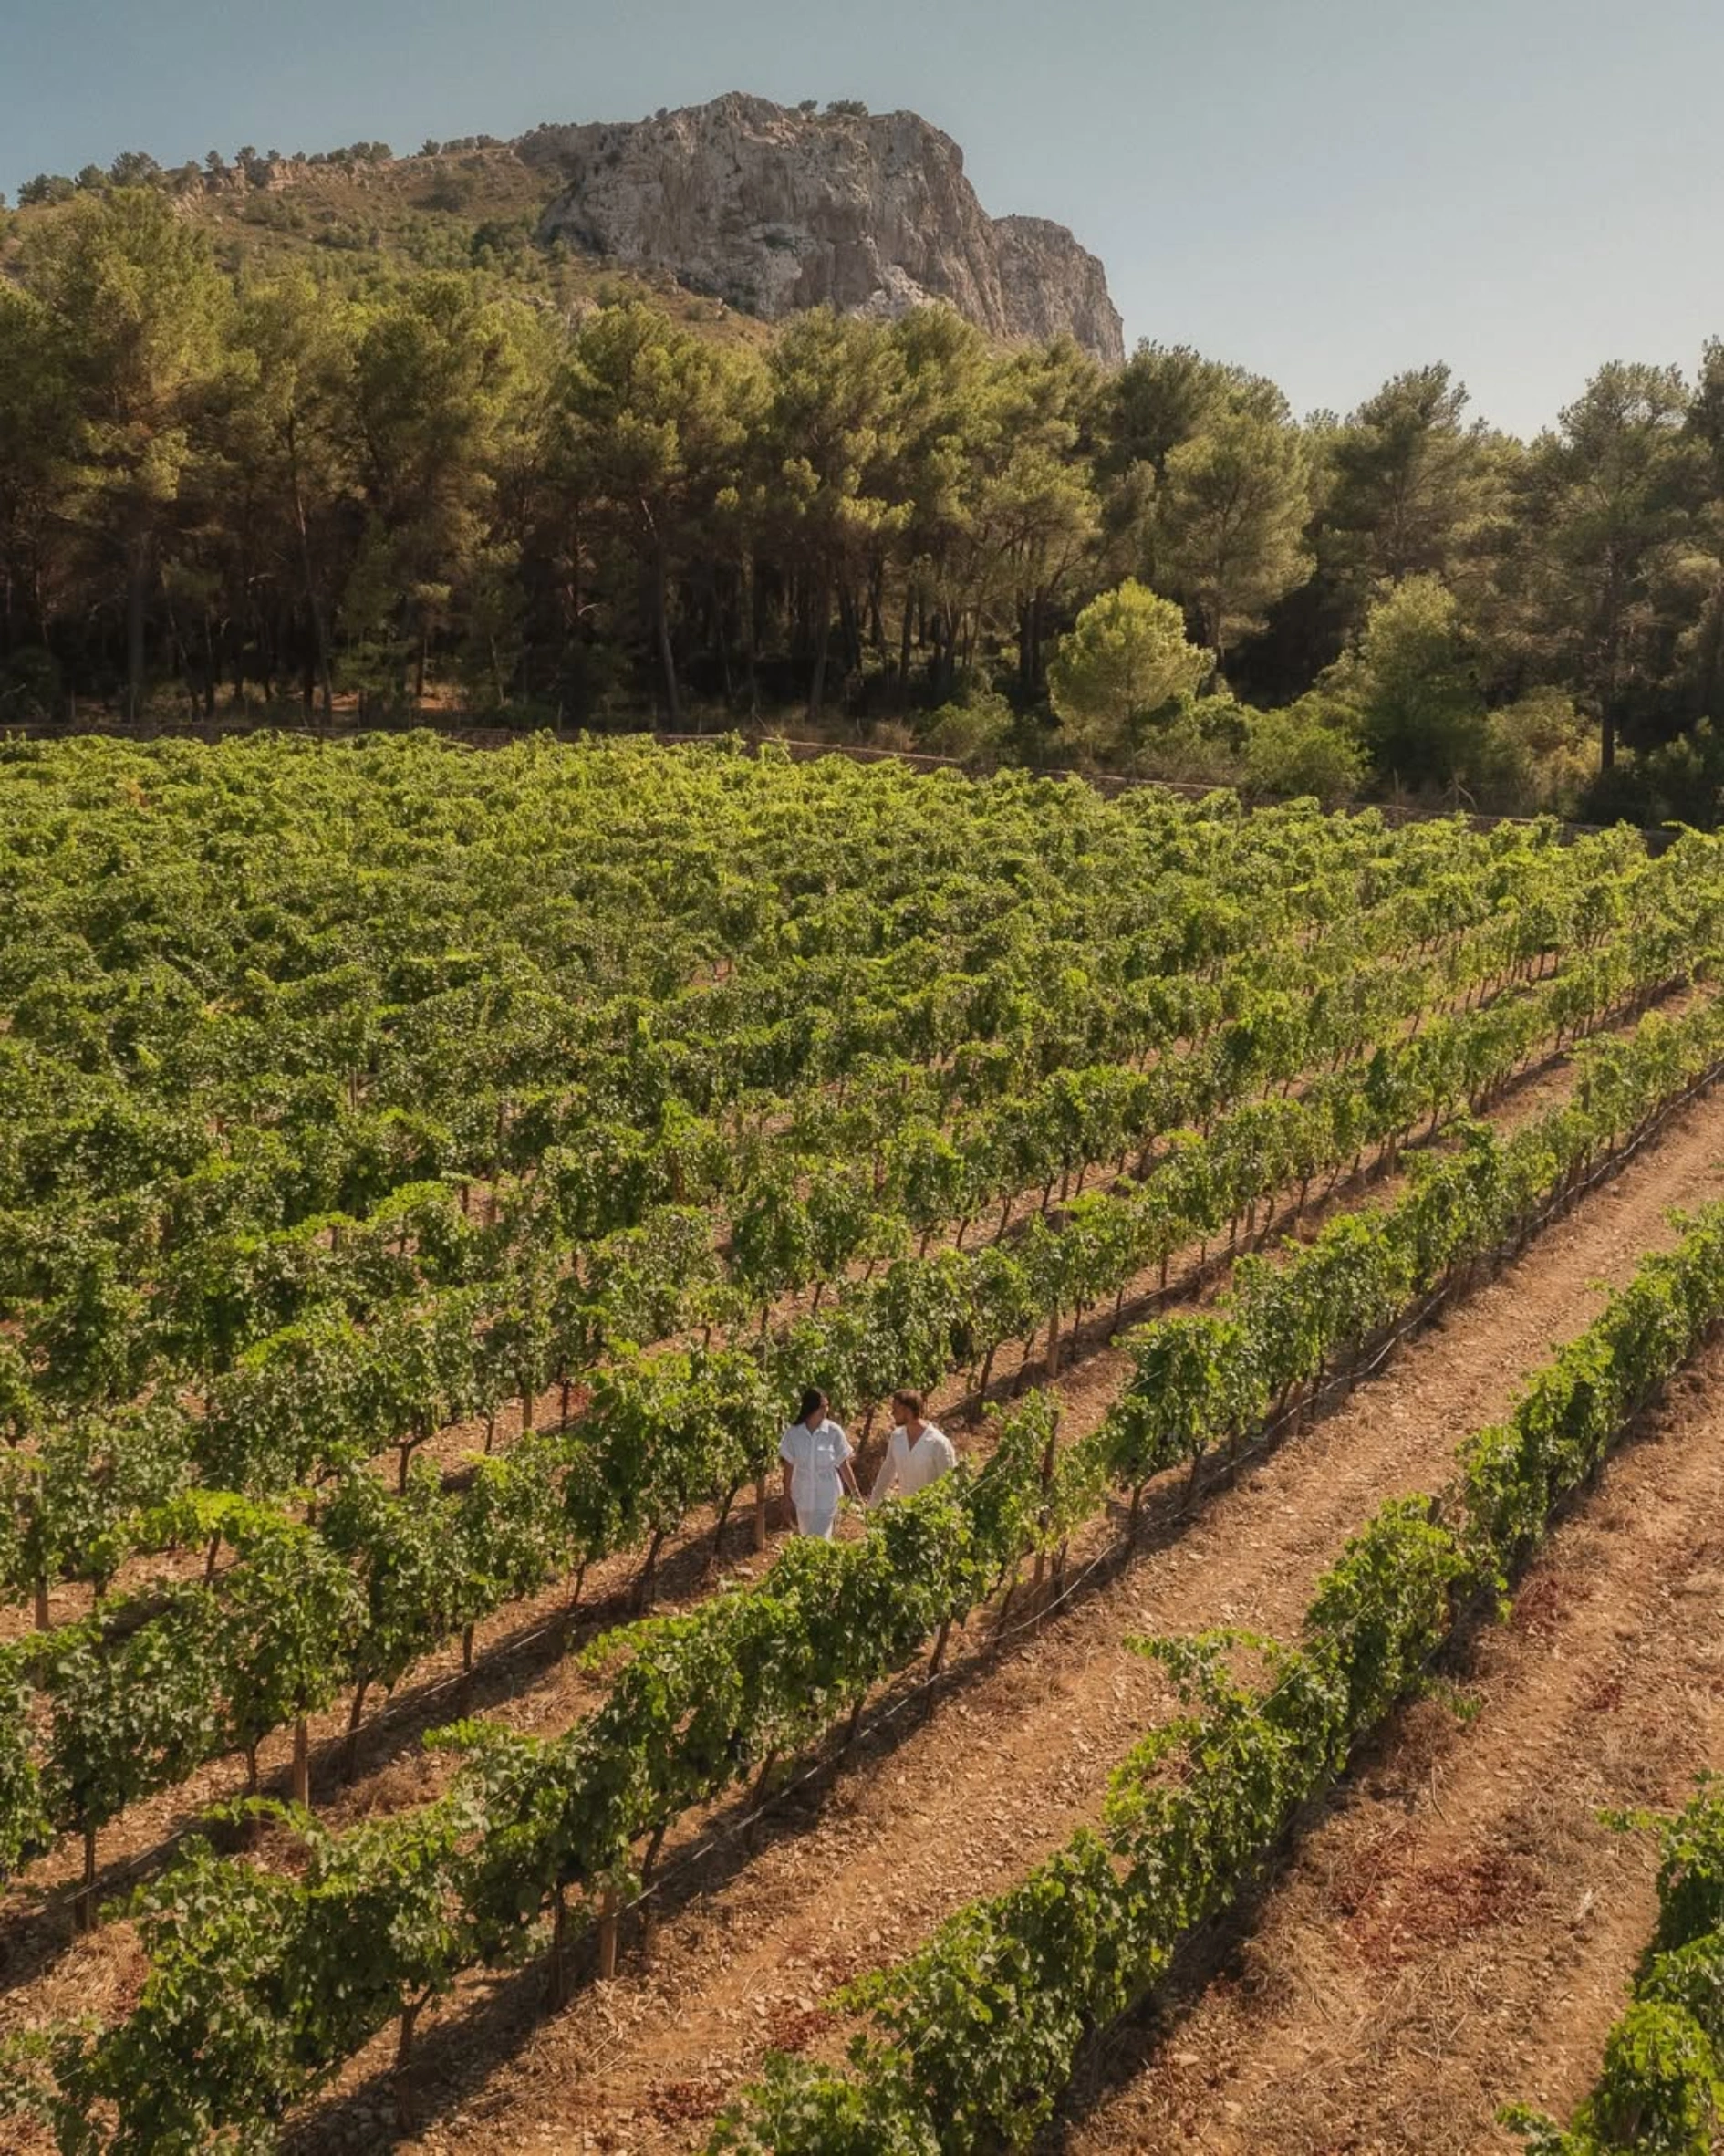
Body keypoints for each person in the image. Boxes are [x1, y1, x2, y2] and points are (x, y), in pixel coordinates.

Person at [779, 1386, 861, 1538]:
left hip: (827, 1497)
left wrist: (855, 1492)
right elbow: (788, 1466)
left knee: (820, 1540)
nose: (825, 1410)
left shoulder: (834, 1432)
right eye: (821, 1406)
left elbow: (843, 1463)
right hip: (803, 1497)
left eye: (827, 1406)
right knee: (807, 1537)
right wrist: (786, 1496)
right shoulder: (794, 1434)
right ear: (811, 1407)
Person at [868, 1390, 957, 1507]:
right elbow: (887, 1472)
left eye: (896, 1410)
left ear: (908, 1411)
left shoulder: (938, 1443)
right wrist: (873, 1504)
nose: (892, 1413)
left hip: (932, 1513)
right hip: (906, 1512)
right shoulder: (897, 1437)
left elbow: (950, 1483)